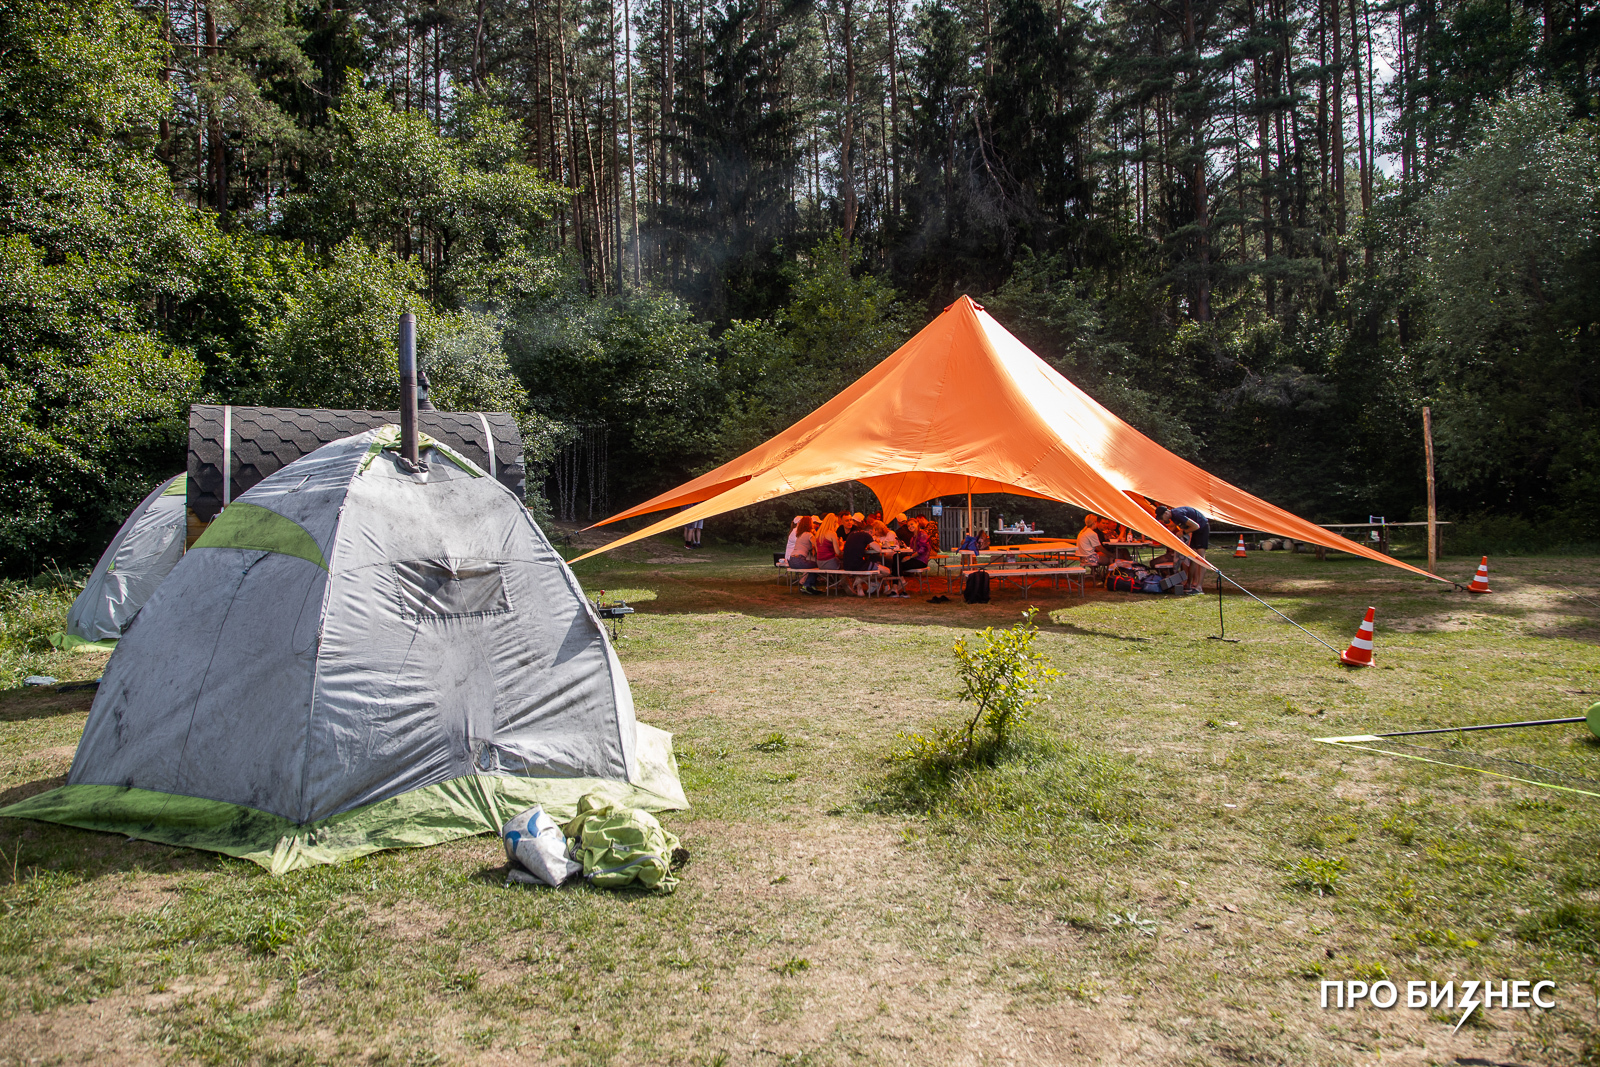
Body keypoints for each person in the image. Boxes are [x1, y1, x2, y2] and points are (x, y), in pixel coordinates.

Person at [1157, 506, 1210, 594]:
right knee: (1192, 558)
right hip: (1196, 531)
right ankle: (1189, 584)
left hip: (1202, 529)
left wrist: (1183, 532)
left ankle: (1199, 587)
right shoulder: (1173, 517)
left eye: (1161, 517)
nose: (1162, 520)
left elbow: (1196, 526)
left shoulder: (1178, 514)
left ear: (1166, 513)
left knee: (1201, 559)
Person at [840, 520, 878, 596]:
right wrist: (875, 541)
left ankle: (860, 588)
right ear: (870, 532)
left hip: (847, 564)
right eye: (872, 534)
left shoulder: (852, 534)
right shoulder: (866, 535)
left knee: (866, 564)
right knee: (886, 571)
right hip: (857, 564)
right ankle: (860, 580)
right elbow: (878, 549)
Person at [789, 516, 820, 594]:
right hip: (799, 560)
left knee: (813, 566)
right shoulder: (809, 534)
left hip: (792, 560)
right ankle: (807, 585)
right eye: (812, 523)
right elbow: (817, 546)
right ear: (809, 524)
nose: (813, 524)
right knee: (818, 565)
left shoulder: (800, 534)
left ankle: (811, 586)